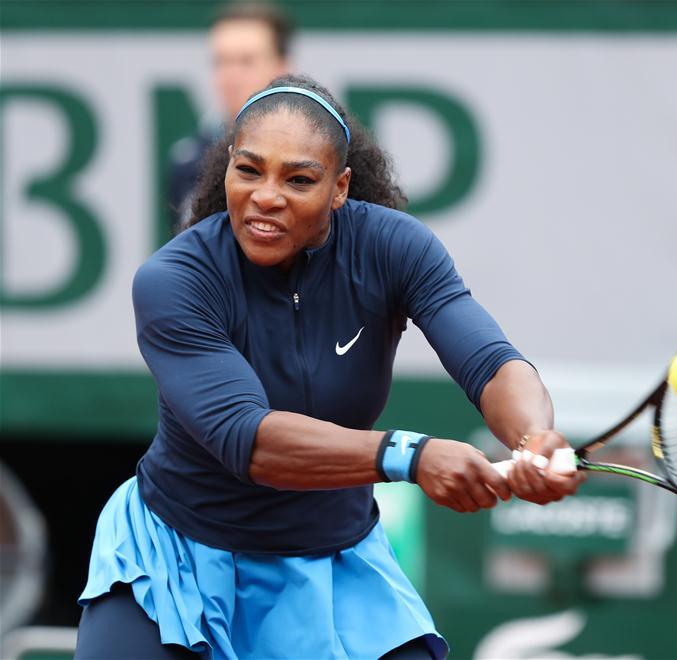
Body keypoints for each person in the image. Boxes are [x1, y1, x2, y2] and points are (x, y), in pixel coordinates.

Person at [75, 73, 584, 659]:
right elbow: (249, 441)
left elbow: (490, 361)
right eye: (249, 170)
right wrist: (410, 456)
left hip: (333, 563)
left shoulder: (396, 247)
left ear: (340, 188)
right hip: (176, 559)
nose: (266, 195)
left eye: (298, 179)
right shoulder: (175, 280)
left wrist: (531, 436)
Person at [168, 2, 292, 231]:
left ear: (282, 67)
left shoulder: (320, 153)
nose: (231, 77)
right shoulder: (187, 161)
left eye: (246, 61)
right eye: (221, 61)